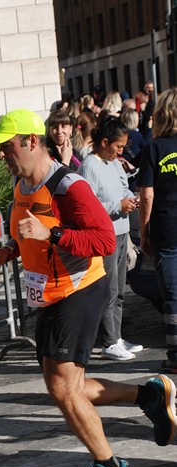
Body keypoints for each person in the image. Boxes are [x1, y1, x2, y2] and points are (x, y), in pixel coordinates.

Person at [0, 108, 176, 467]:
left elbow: (102, 241)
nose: (2, 154)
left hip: (78, 291)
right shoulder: (22, 185)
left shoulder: (69, 186)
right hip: (50, 295)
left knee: (61, 386)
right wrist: (11, 250)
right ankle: (150, 396)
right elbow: (32, 231)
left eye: (7, 146)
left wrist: (51, 234)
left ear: (32, 141)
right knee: (73, 384)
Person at [78, 116, 143, 360]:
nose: (121, 151)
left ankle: (115, 336)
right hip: (105, 235)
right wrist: (118, 204)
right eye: (118, 146)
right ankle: (109, 340)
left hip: (121, 230)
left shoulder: (114, 163)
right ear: (104, 142)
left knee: (119, 289)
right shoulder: (89, 166)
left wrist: (129, 198)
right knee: (108, 288)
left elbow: (122, 186)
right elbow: (88, 206)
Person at [137, 87, 177, 374]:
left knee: (173, 295)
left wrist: (144, 231)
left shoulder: (153, 149)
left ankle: (176, 356)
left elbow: (147, 195)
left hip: (167, 230)